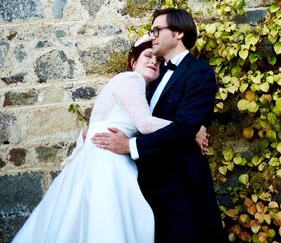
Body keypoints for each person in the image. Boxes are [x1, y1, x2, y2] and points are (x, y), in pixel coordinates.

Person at [12, 36, 207, 243]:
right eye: (147, 56)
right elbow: (145, 124)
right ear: (133, 61)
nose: (153, 62)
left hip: (100, 153)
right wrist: (191, 129)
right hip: (108, 159)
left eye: (158, 61)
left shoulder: (130, 84)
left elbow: (96, 125)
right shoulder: (132, 80)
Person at [92, 8, 225, 242]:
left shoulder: (199, 72)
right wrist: (94, 131)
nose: (153, 35)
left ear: (179, 33)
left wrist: (130, 146)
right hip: (145, 188)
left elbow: (184, 126)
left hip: (180, 188)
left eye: (157, 29)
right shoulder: (151, 75)